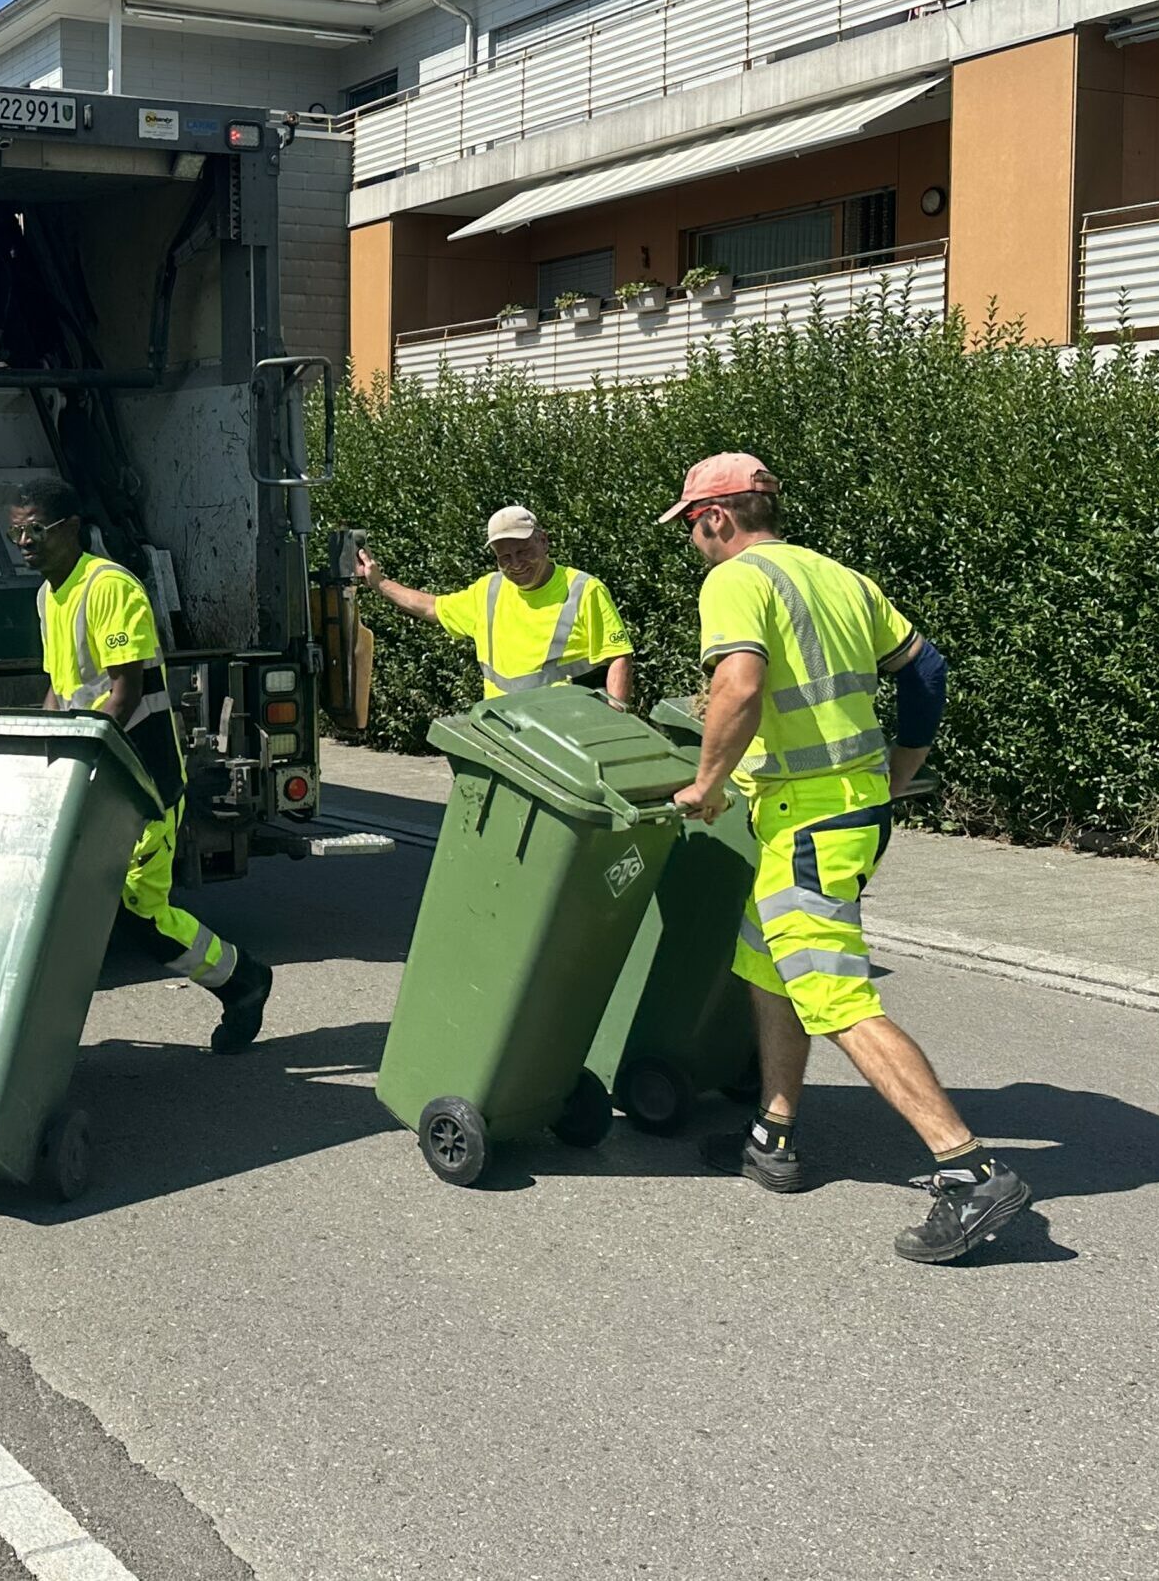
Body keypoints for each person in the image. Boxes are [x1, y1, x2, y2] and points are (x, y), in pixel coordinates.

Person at [662, 453, 1030, 1263]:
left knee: (832, 994)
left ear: (718, 516)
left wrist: (707, 783)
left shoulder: (735, 579)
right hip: (845, 807)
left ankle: (969, 1171)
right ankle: (774, 1132)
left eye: (690, 524)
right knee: (768, 965)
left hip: (809, 820)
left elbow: (741, 687)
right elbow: (924, 667)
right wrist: (903, 765)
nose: (692, 539)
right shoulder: (840, 578)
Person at [11, 479, 273, 1052]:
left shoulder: (109, 587)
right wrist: (41, 744)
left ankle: (242, 980)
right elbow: (63, 690)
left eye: (36, 529)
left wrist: (76, 756)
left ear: (70, 528)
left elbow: (123, 694)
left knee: (140, 911)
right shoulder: (47, 596)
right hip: (94, 774)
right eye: (17, 532)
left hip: (141, 780)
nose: (25, 542)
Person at [353, 506, 635, 707]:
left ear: (543, 541)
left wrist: (616, 719)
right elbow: (431, 608)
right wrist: (379, 583)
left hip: (565, 730)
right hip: (503, 729)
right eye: (505, 557)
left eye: (523, 551)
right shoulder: (489, 590)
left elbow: (618, 656)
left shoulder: (583, 589)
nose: (515, 564)